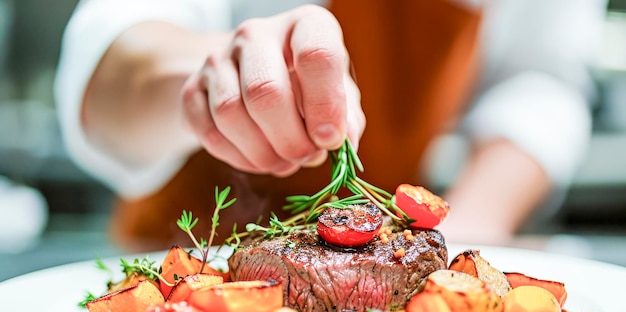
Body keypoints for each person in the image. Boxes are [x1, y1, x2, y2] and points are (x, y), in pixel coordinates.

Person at [54, 0, 606, 252]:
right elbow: (109, 62)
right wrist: (212, 74)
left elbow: (540, 80)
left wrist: (465, 230)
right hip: (175, 254)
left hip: (390, 256)